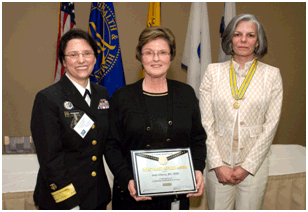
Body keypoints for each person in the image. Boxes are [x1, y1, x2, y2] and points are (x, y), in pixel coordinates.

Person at [104, 26, 207, 210]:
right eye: (149, 52)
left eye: (162, 52)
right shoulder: (122, 97)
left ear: (171, 56)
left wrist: (198, 168)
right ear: (140, 56)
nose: (156, 58)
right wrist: (127, 178)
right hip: (132, 196)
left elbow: (198, 139)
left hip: (176, 195)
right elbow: (111, 145)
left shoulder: (186, 94)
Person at [199, 13, 283, 210]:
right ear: (230, 39)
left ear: (258, 41)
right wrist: (217, 164)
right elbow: (205, 122)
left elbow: (271, 126)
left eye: (250, 35)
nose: (243, 39)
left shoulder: (272, 75)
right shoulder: (213, 72)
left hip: (254, 165)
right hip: (218, 163)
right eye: (238, 34)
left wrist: (248, 166)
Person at [30, 29, 111, 210]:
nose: (81, 60)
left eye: (87, 53)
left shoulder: (102, 94)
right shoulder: (48, 98)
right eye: (73, 55)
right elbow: (50, 159)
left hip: (96, 196)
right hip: (64, 200)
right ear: (63, 60)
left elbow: (104, 141)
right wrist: (69, 203)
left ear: (95, 58)